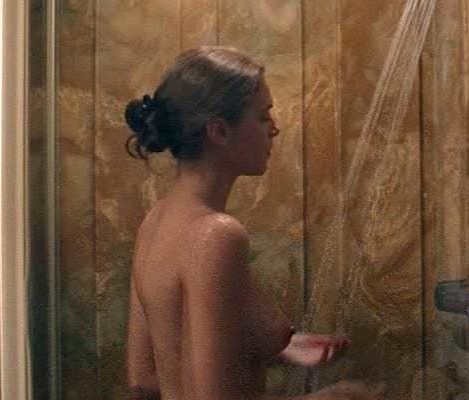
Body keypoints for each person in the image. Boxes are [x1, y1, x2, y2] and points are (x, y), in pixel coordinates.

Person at [124, 47, 384, 400]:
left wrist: (276, 347)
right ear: (219, 131)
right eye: (263, 116)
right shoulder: (217, 235)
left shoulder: (155, 221)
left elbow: (144, 379)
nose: (274, 129)